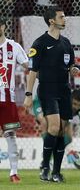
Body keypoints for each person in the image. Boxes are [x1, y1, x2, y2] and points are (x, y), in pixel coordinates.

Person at [23, 6, 79, 182]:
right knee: (53, 127)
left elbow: (71, 64)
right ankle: (45, 167)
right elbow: (32, 71)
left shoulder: (66, 43)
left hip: (64, 89)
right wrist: (28, 94)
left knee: (62, 130)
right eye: (62, 17)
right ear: (51, 21)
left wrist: (73, 69)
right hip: (47, 89)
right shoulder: (39, 43)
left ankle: (56, 171)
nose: (65, 19)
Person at [0, 18, 28, 183]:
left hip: (8, 101)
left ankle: (14, 172)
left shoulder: (14, 46)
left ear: (3, 26)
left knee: (10, 135)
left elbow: (28, 65)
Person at [32, 89, 80, 169]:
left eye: (79, 105)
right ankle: (47, 160)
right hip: (40, 102)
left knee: (68, 138)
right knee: (45, 123)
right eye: (74, 104)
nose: (76, 107)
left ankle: (49, 157)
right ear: (70, 99)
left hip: (57, 112)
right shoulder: (62, 102)